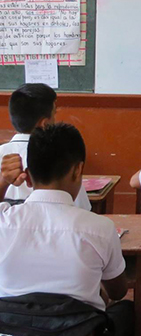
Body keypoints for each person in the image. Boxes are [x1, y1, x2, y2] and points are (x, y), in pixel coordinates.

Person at [0, 124, 130, 327]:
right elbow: (118, 291)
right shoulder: (100, 228)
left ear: (27, 177)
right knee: (126, 310)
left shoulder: (4, 221)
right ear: (78, 170)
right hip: (78, 330)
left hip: (12, 329)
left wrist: (3, 182)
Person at [0, 83, 90, 210]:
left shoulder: (3, 154)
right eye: (54, 113)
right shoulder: (58, 156)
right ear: (45, 124)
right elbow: (82, 209)